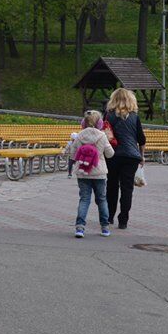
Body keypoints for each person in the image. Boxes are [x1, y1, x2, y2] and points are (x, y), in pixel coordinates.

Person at [64, 109, 115, 238]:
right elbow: (110, 154)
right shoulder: (102, 136)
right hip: (99, 172)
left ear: (83, 123)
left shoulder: (80, 136)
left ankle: (80, 228)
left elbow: (73, 154)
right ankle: (105, 227)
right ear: (99, 123)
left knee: (84, 199)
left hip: (83, 172)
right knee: (102, 199)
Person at [104, 88, 146, 230]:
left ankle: (109, 216)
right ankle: (123, 220)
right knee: (127, 188)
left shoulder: (108, 116)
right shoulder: (134, 117)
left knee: (112, 186)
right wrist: (141, 156)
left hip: (113, 155)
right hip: (131, 157)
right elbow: (141, 139)